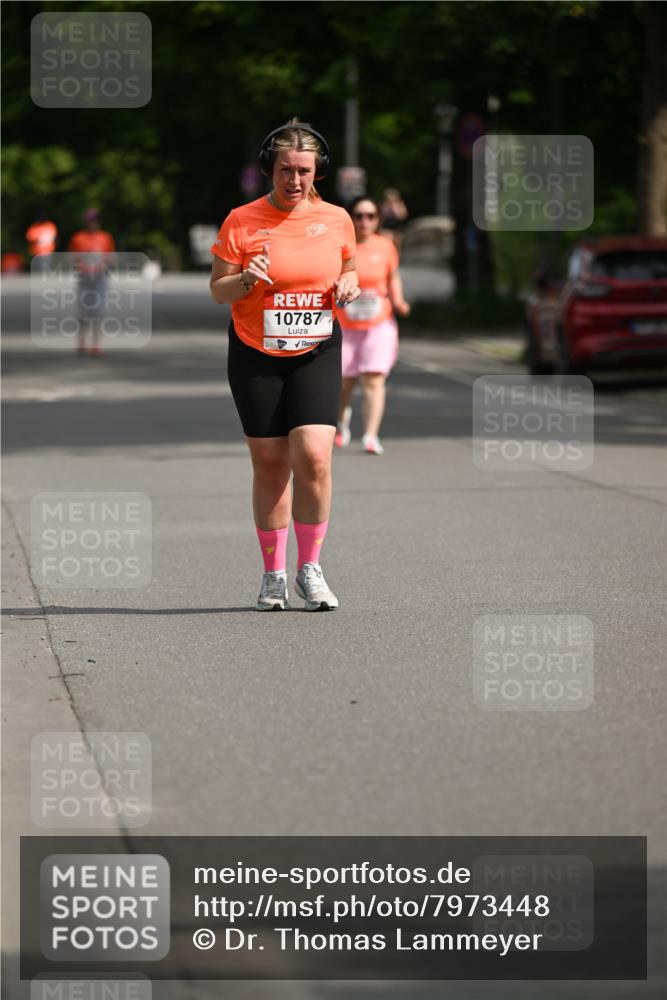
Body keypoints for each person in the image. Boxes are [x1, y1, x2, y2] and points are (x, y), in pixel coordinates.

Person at [209, 119, 360, 612]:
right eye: (285, 170)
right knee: (271, 464)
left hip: (317, 347)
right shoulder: (241, 220)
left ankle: (310, 569)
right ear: (268, 170)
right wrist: (246, 281)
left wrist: (349, 284)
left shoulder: (337, 219)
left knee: (314, 456)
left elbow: (349, 266)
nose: (294, 181)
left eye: (304, 172)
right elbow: (218, 290)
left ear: (318, 173)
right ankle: (273, 573)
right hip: (255, 349)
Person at [336, 196, 410, 455]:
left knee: (374, 378)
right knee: (344, 382)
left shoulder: (386, 246)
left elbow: (393, 277)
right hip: (346, 325)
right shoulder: (342, 246)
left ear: (378, 219)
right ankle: (341, 421)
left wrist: (398, 300)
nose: (364, 221)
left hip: (378, 323)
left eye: (370, 216)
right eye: (359, 215)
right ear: (351, 218)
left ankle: (370, 434)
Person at [68, 209, 115, 356]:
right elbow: (72, 257)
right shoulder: (78, 238)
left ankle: (96, 344)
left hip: (99, 277)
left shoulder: (105, 237)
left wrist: (106, 262)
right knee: (83, 311)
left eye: (93, 220)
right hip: (84, 277)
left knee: (98, 312)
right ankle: (81, 341)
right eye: (89, 221)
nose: (91, 223)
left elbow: (111, 257)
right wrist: (81, 260)